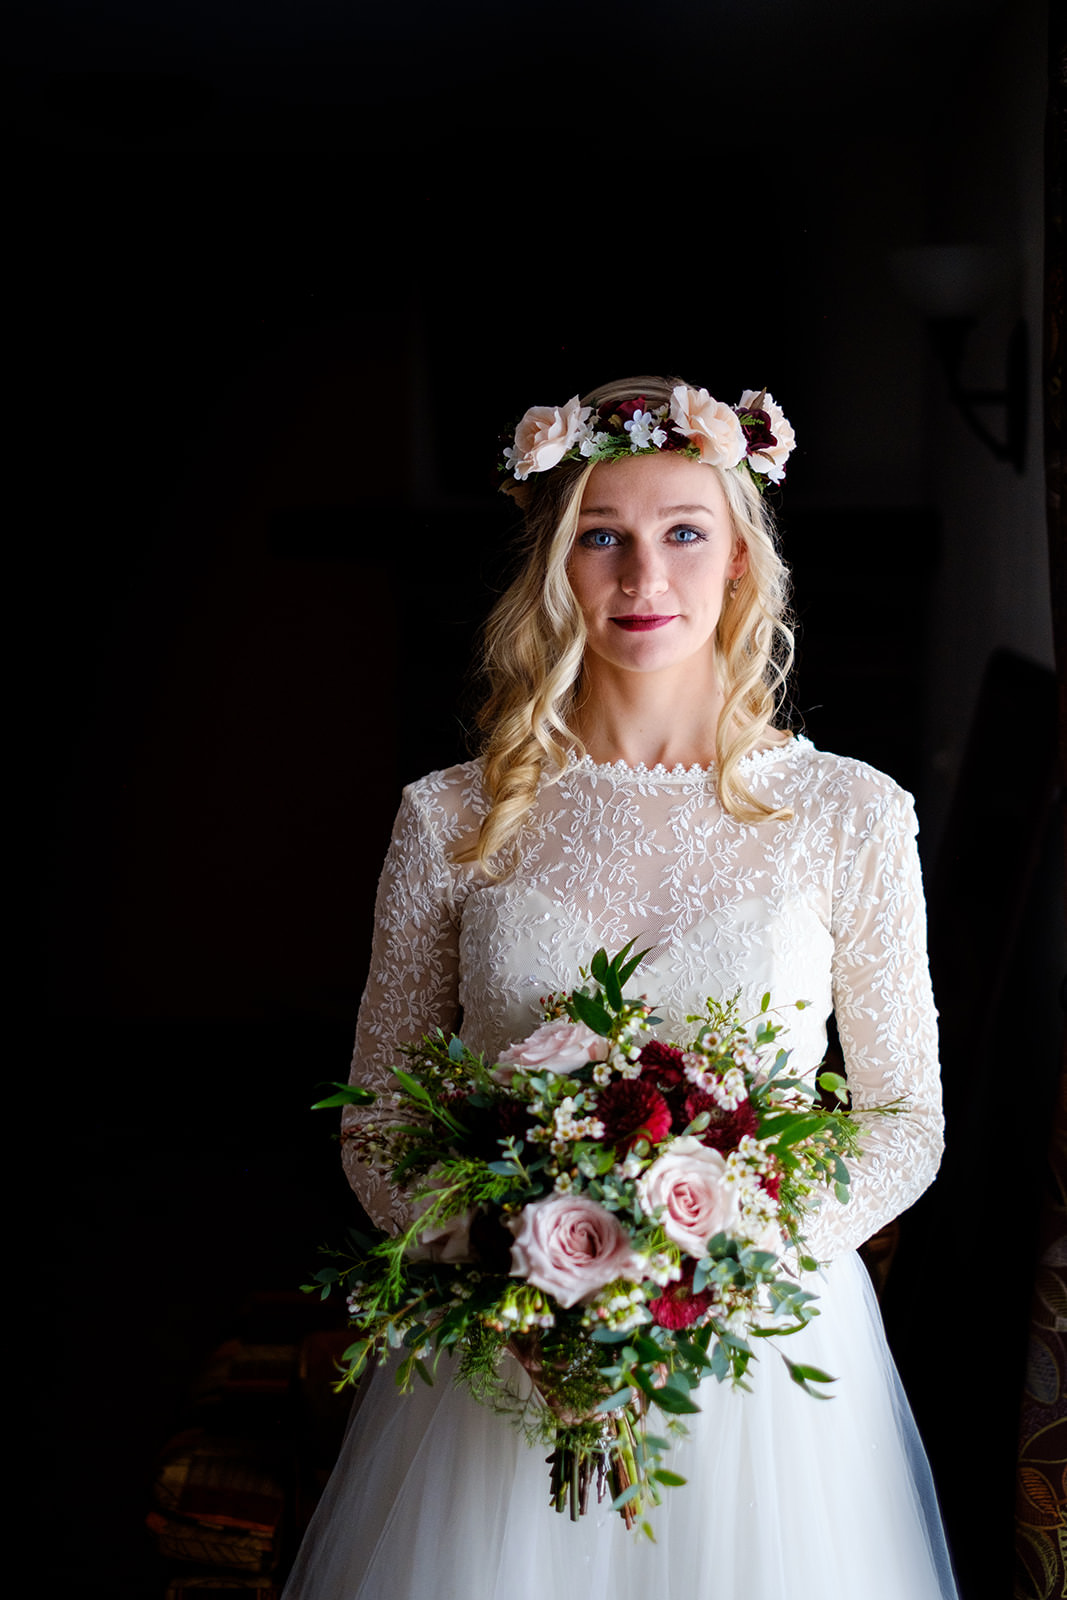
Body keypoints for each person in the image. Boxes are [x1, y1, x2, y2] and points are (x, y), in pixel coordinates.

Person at [283, 376, 959, 1600]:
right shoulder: (449, 818)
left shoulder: (848, 815)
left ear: (741, 561)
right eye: (602, 534)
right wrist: (501, 1256)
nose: (644, 576)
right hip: (505, 1350)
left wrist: (707, 1265)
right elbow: (378, 1111)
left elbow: (903, 1117)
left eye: (682, 532)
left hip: (764, 1368)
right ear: (555, 564)